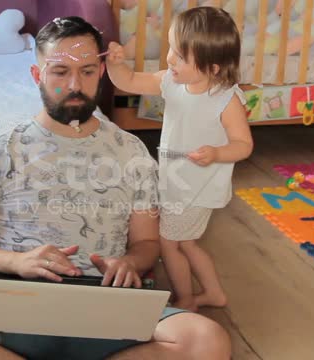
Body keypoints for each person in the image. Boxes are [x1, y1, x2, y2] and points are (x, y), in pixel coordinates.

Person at [0, 16, 231, 360]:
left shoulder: (132, 151)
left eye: (87, 71)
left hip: (108, 307)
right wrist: (17, 261)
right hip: (17, 307)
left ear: (101, 74)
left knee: (207, 340)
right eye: (60, 72)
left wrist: (130, 263)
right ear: (37, 75)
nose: (75, 84)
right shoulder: (3, 149)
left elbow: (147, 243)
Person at [105, 6, 253, 312]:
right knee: (185, 243)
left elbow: (243, 145)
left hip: (198, 187)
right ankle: (214, 294)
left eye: (181, 56)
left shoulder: (226, 99)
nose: (170, 58)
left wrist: (217, 153)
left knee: (168, 244)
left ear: (213, 68)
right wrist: (117, 65)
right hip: (176, 181)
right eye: (171, 48)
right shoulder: (171, 81)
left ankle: (185, 299)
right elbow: (129, 81)